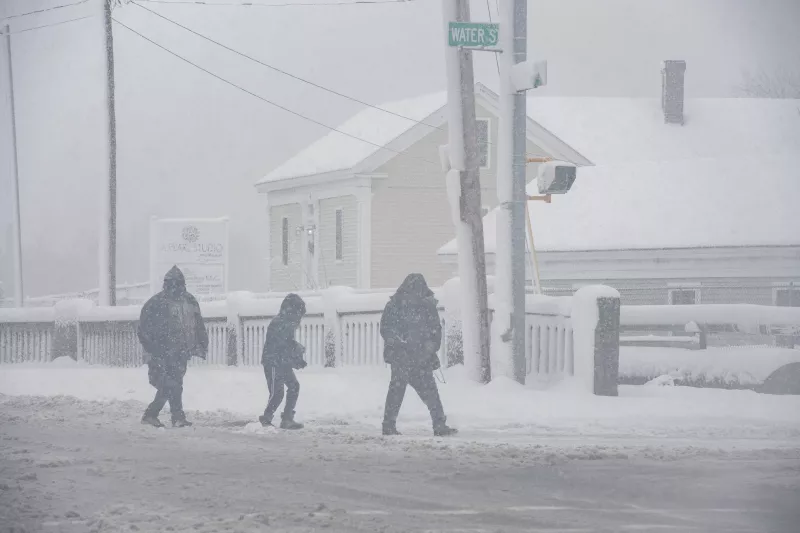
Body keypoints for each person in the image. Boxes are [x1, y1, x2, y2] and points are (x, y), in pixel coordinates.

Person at [380, 273, 457, 437]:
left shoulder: (410, 305)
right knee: (420, 392)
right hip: (404, 356)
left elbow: (435, 331)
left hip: (417, 357)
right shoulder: (397, 306)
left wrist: (431, 346)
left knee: (409, 391)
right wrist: (396, 340)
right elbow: (387, 328)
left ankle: (437, 424)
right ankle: (438, 424)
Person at [138, 266, 208, 428]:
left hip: (181, 351)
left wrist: (200, 343)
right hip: (161, 353)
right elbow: (143, 329)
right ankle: (166, 415)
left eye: (178, 284)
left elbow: (198, 323)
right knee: (169, 384)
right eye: (172, 284)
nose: (175, 288)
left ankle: (168, 416)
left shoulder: (189, 301)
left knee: (174, 384)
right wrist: (154, 348)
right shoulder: (156, 303)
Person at [260, 293, 307, 429]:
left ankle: (287, 419)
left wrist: (296, 358)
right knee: (277, 392)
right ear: (292, 311)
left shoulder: (288, 323)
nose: (299, 318)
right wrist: (295, 350)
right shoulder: (279, 323)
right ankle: (266, 418)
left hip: (282, 362)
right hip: (273, 362)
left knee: (294, 386)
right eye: (298, 314)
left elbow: (288, 344)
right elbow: (281, 345)